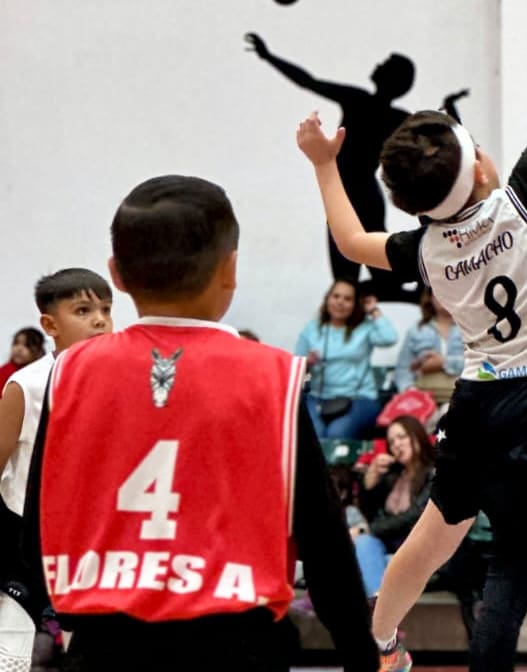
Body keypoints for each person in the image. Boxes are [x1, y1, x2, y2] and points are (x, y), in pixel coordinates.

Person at [295, 0, 527, 672]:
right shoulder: (526, 197)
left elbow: (350, 241)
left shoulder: (423, 249)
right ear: (480, 166)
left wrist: (324, 164)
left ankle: (379, 646)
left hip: (477, 399)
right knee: (515, 564)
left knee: (434, 535)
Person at [21, 175, 378, 672]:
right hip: (238, 645)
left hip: (104, 644)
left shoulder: (69, 372)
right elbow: (325, 544)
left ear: (115, 274)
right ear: (230, 269)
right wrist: (361, 655)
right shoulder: (270, 376)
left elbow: (38, 516)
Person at [244, 31, 468, 301]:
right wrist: (268, 56)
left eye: (384, 64)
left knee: (354, 272)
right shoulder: (388, 113)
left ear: (390, 78)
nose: (377, 65)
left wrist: (268, 56)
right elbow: (448, 135)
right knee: (354, 273)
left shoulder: (361, 101)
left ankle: (414, 292)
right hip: (357, 194)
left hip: (353, 194)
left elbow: (309, 82)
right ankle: (407, 293)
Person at [0, 269, 113, 670]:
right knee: (11, 654)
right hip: (22, 539)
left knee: (85, 651)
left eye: (106, 310)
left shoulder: (121, 381)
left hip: (90, 539)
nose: (99, 320)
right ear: (50, 326)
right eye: (83, 310)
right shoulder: (26, 385)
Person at [296, 278, 398, 439]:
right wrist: (307, 362)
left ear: (356, 304)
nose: (340, 302)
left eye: (347, 299)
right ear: (327, 298)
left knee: (336, 433)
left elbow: (390, 338)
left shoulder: (365, 327)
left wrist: (373, 310)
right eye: (336, 296)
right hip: (318, 398)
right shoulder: (311, 328)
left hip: (359, 398)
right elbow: (296, 367)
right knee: (315, 435)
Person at [354, 416, 437, 594]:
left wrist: (367, 529)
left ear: (417, 436)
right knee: (363, 544)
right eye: (391, 442)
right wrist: (369, 483)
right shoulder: (394, 475)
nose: (397, 445)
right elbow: (371, 514)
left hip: (421, 550)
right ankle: (378, 601)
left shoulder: (435, 472)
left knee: (365, 560)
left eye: (402, 437)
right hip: (390, 548)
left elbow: (415, 515)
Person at [393, 287, 464, 403]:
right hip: (423, 397)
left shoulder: (472, 331)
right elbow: (403, 370)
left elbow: (482, 366)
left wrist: (443, 363)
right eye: (439, 291)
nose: (444, 296)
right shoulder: (416, 330)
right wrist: (410, 392)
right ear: (430, 298)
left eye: (449, 290)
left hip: (462, 398)